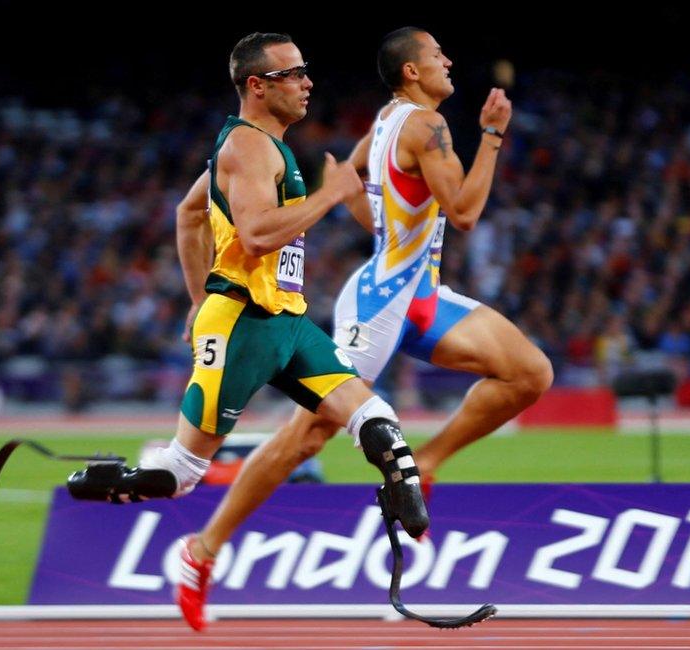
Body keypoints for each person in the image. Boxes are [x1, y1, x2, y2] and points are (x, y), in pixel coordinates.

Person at [171, 26, 553, 629]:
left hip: (419, 294)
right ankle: (203, 550)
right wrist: (493, 136)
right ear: (410, 71)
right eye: (436, 56)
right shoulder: (428, 126)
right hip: (377, 304)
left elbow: (347, 178)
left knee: (529, 373)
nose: (449, 61)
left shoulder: (386, 121)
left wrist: (381, 227)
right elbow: (467, 212)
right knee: (307, 437)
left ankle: (424, 463)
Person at [65, 31, 429, 630]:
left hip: (286, 322)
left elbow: (189, 214)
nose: (309, 82)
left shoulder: (256, 149)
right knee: (178, 475)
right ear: (257, 86)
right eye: (295, 73)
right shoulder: (247, 148)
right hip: (243, 327)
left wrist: (194, 297)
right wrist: (332, 194)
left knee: (379, 425)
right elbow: (259, 235)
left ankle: (406, 517)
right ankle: (99, 487)